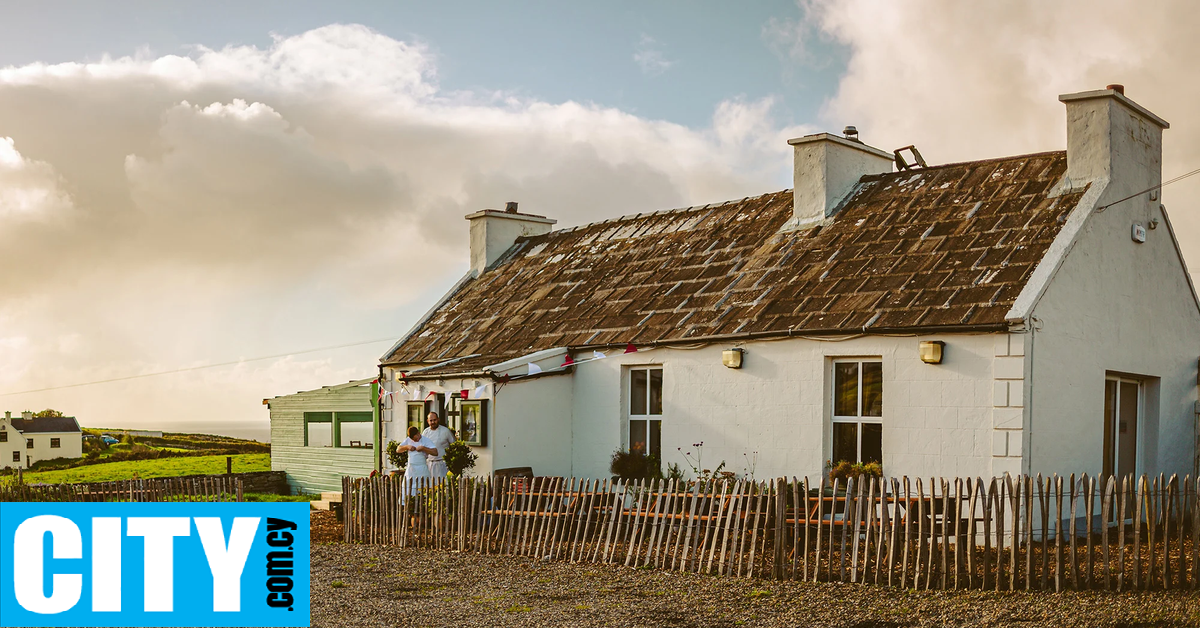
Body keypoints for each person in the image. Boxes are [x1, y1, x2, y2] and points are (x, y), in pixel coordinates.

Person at [398, 426, 438, 495]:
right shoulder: (408, 440)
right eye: (413, 440)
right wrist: (407, 447)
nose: (415, 441)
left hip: (422, 468)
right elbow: (398, 449)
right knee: (409, 487)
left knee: (423, 485)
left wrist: (423, 448)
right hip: (411, 468)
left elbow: (435, 452)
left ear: (418, 433)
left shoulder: (426, 440)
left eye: (416, 439)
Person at [422, 411, 456, 480]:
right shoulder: (425, 432)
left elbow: (454, 445)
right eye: (431, 420)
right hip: (429, 463)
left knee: (442, 485)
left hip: (442, 464)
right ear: (428, 421)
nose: (433, 422)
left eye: (434, 420)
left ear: (438, 419)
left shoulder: (445, 431)